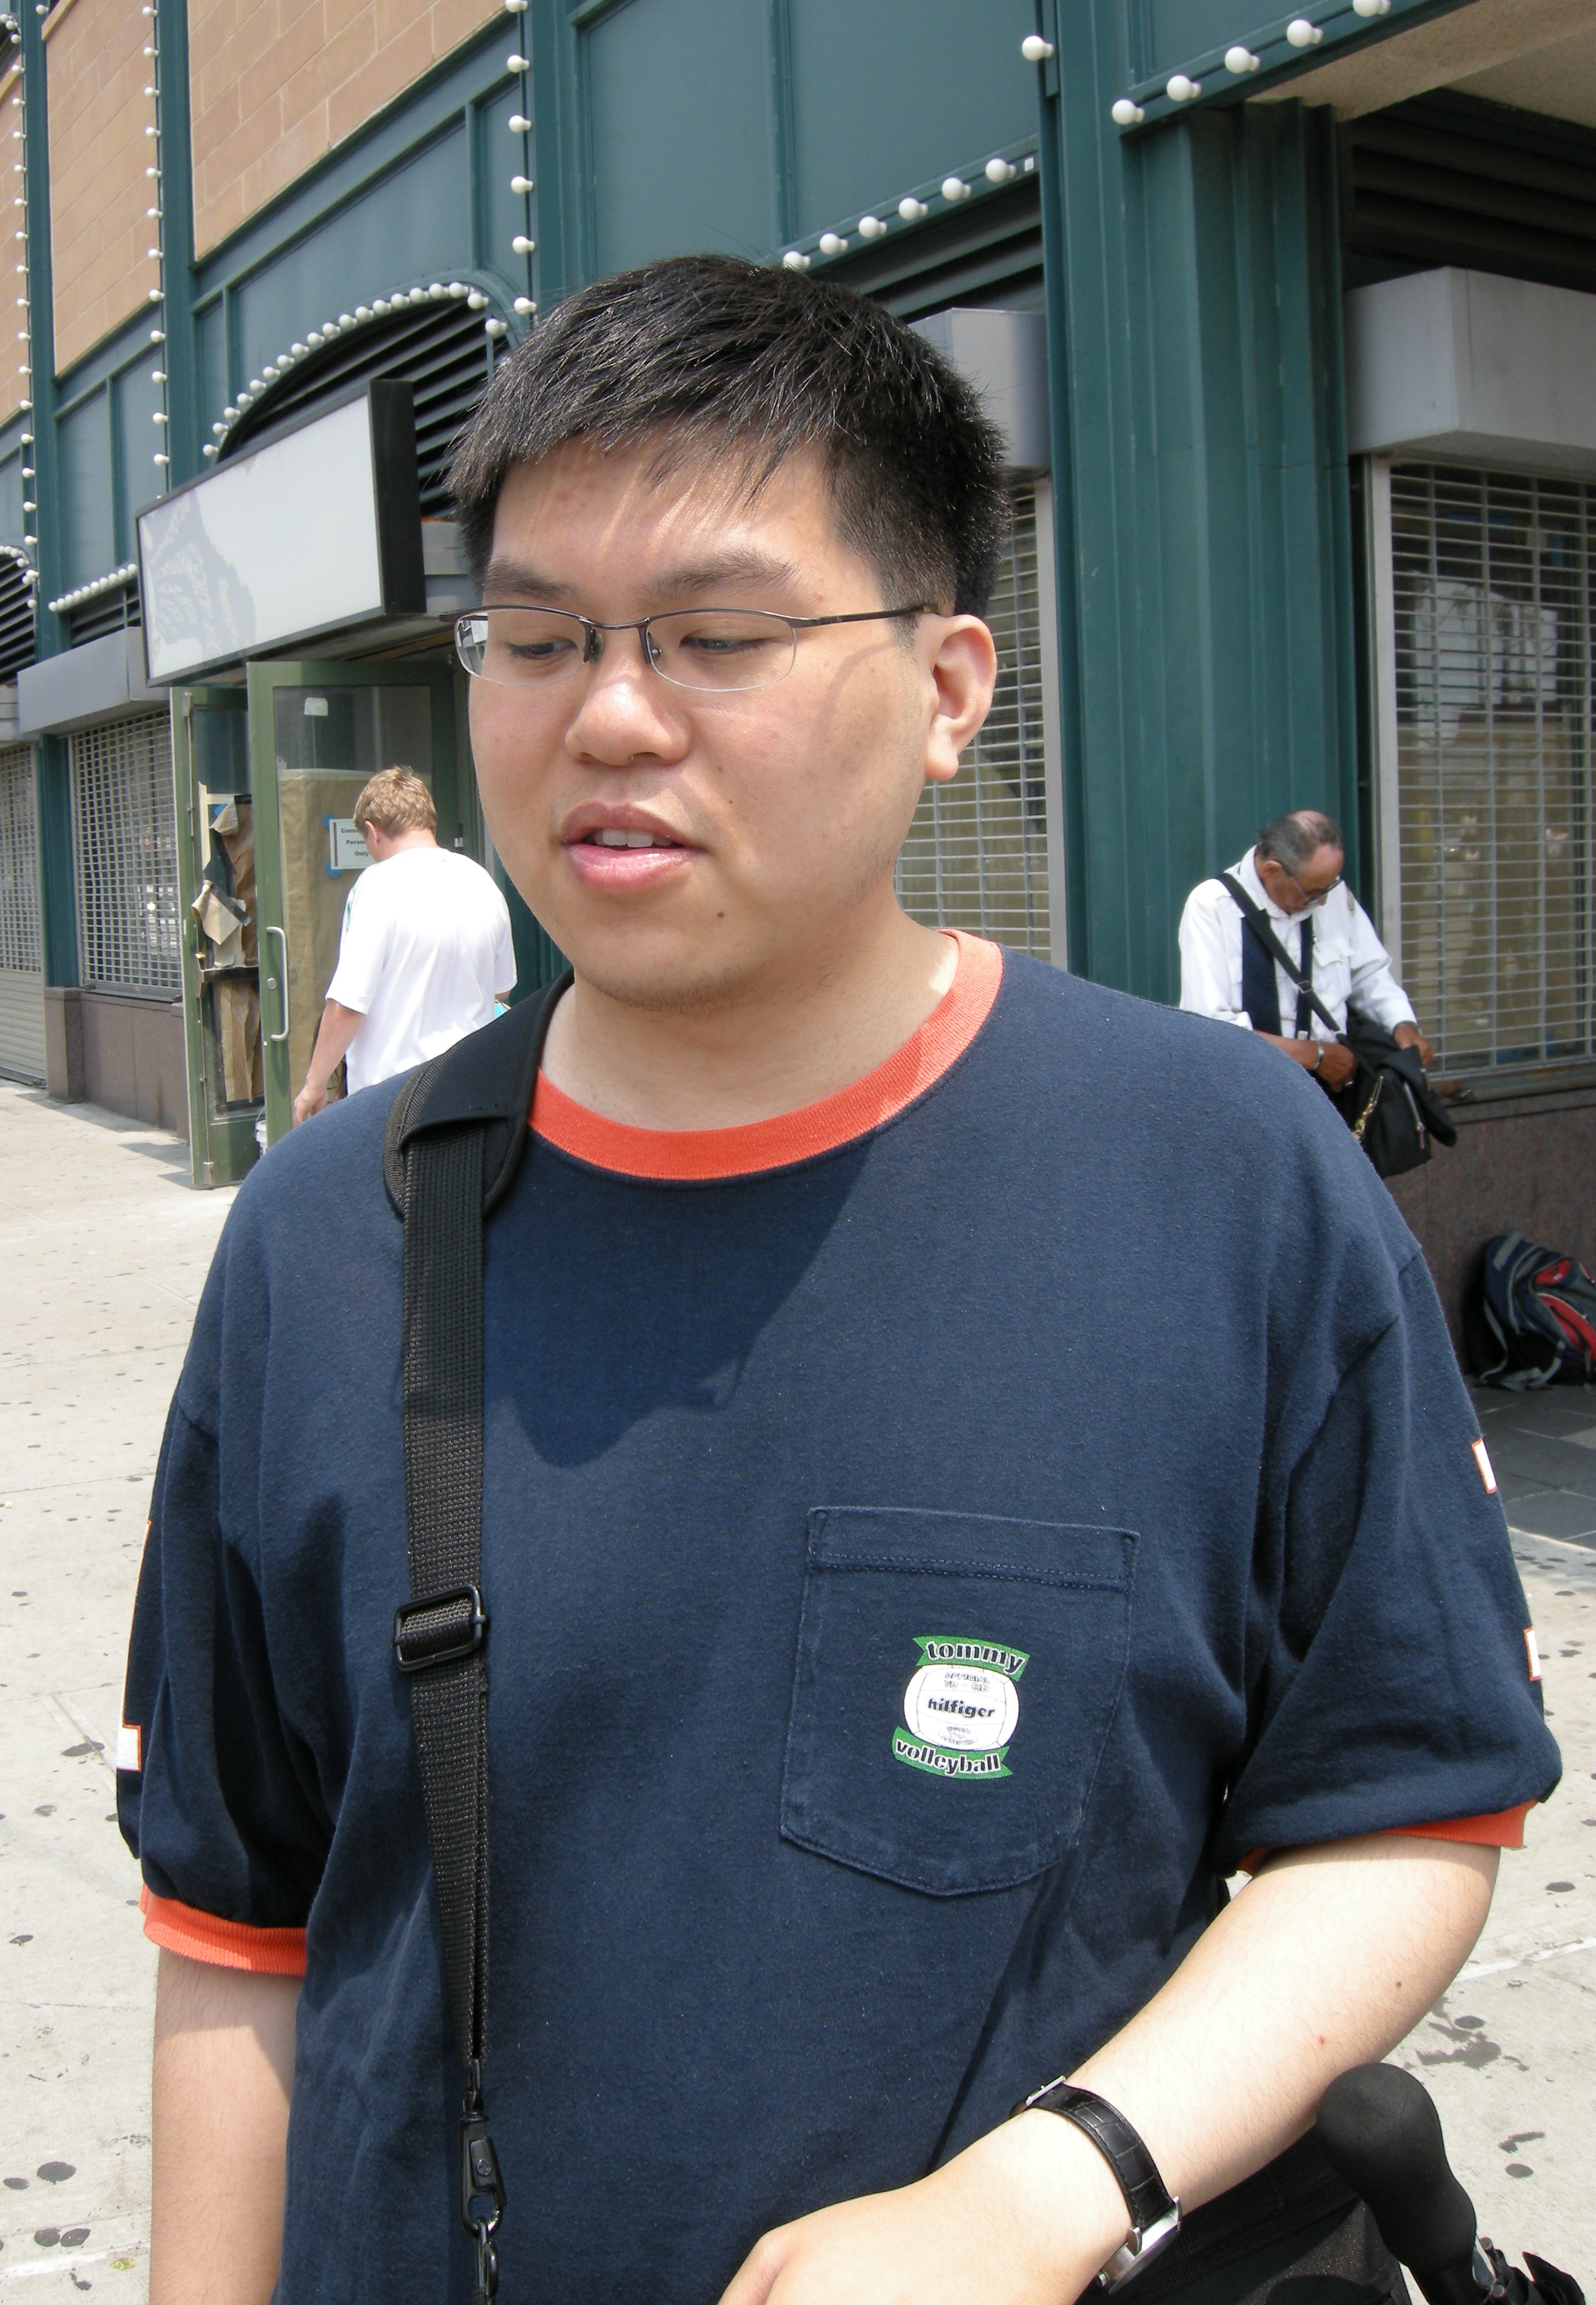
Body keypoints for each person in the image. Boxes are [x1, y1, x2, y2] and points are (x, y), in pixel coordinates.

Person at [118, 258, 1556, 2305]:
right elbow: (239, 1937)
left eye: (719, 636)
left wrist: (1047, 2192)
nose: (610, 715)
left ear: (953, 688)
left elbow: (1406, 1809)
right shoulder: (321, 1244)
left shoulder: (1223, 1178)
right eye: (535, 638)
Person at [289, 764, 514, 1123]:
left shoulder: (377, 885)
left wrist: (315, 1085)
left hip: (393, 1102)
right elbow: (500, 992)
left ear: (372, 831)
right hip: (470, 1097)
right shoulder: (483, 882)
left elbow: (349, 1002)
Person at [1178, 810, 1431, 1092]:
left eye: (1330, 887)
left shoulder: (1329, 892)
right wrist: (1315, 1056)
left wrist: (1402, 1024)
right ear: (1272, 871)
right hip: (1249, 1091)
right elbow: (1210, 1028)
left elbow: (1368, 973)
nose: (1322, 902)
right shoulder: (1212, 905)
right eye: (1312, 893)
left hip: (1332, 1090)